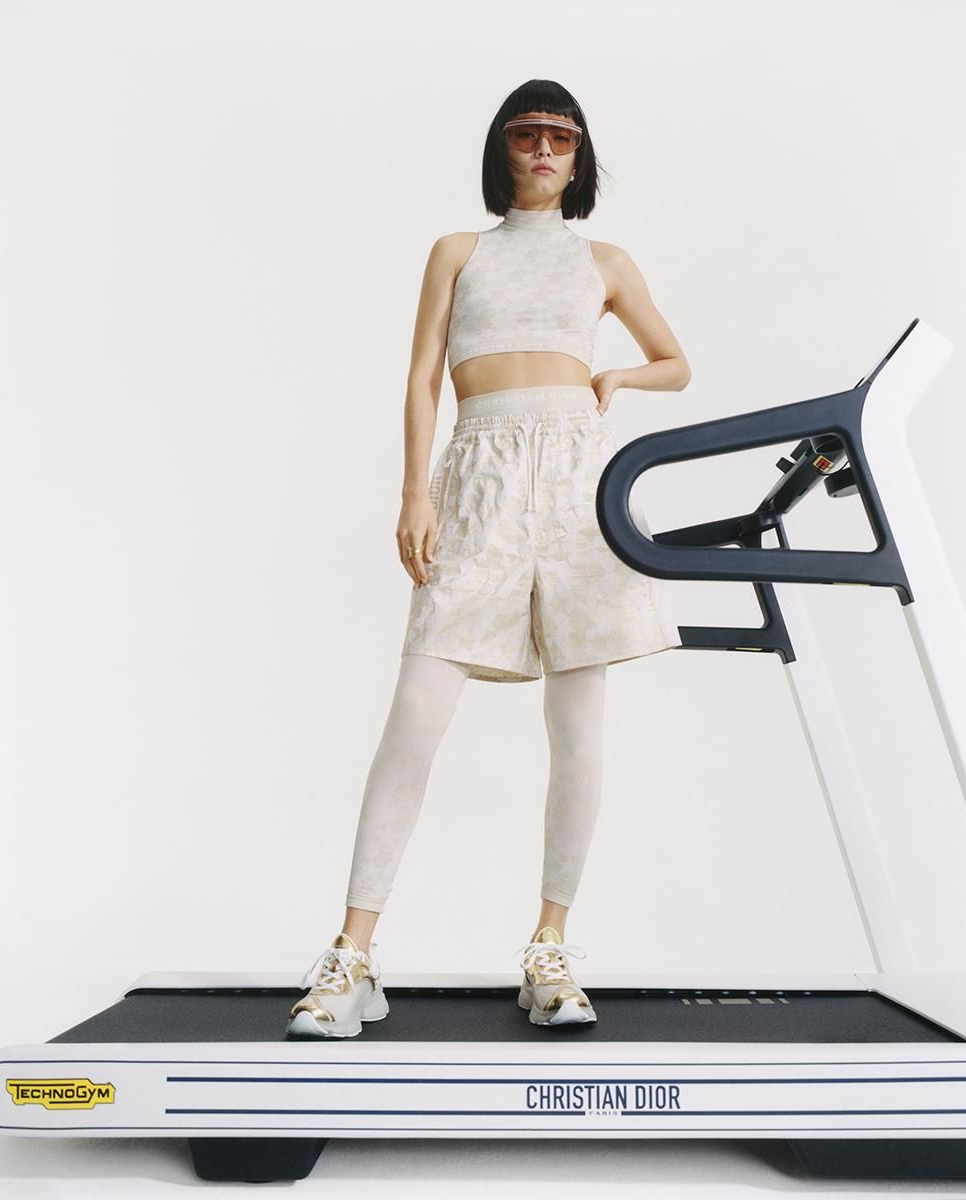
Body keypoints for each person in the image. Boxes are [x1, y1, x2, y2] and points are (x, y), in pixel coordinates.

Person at [288, 79, 691, 1038]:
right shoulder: (457, 251)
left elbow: (676, 363)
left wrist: (619, 374)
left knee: (578, 722)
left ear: (579, 154)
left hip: (577, 480)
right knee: (416, 712)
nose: (545, 149)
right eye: (527, 134)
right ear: (502, 147)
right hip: (478, 473)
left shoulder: (604, 260)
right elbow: (422, 375)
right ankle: (352, 953)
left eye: (561, 136)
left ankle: (550, 946)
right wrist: (414, 490)